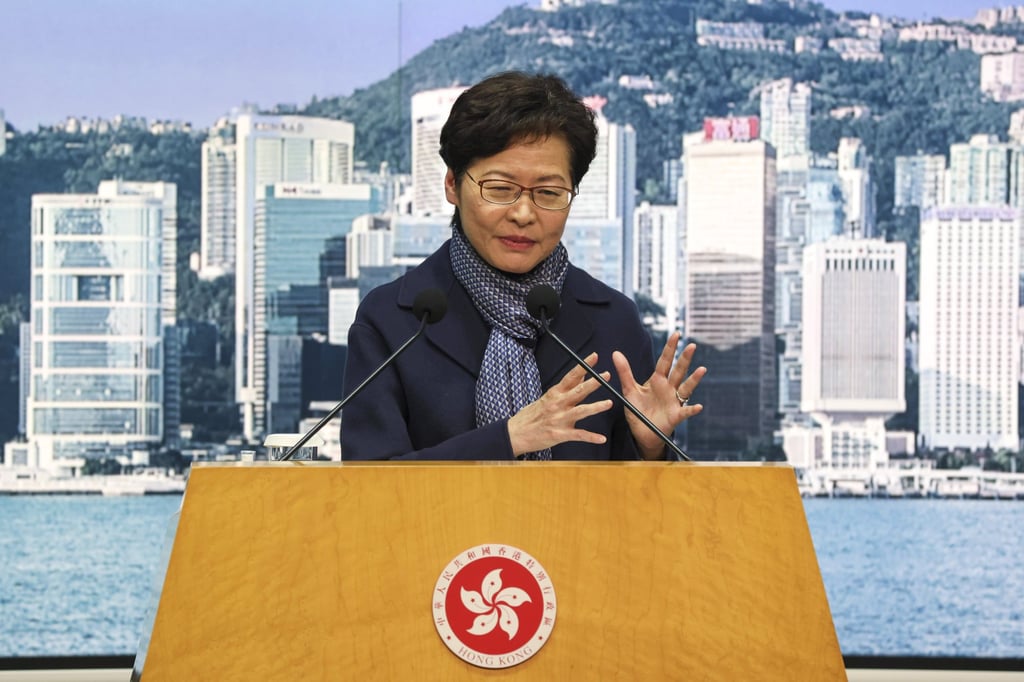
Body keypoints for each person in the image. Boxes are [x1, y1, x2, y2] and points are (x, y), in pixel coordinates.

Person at [341, 71, 705, 461]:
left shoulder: (613, 321)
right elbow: (369, 488)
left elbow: (637, 507)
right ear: (452, 184)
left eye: (549, 193)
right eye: (499, 189)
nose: (523, 213)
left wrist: (650, 446)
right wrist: (509, 438)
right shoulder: (392, 321)